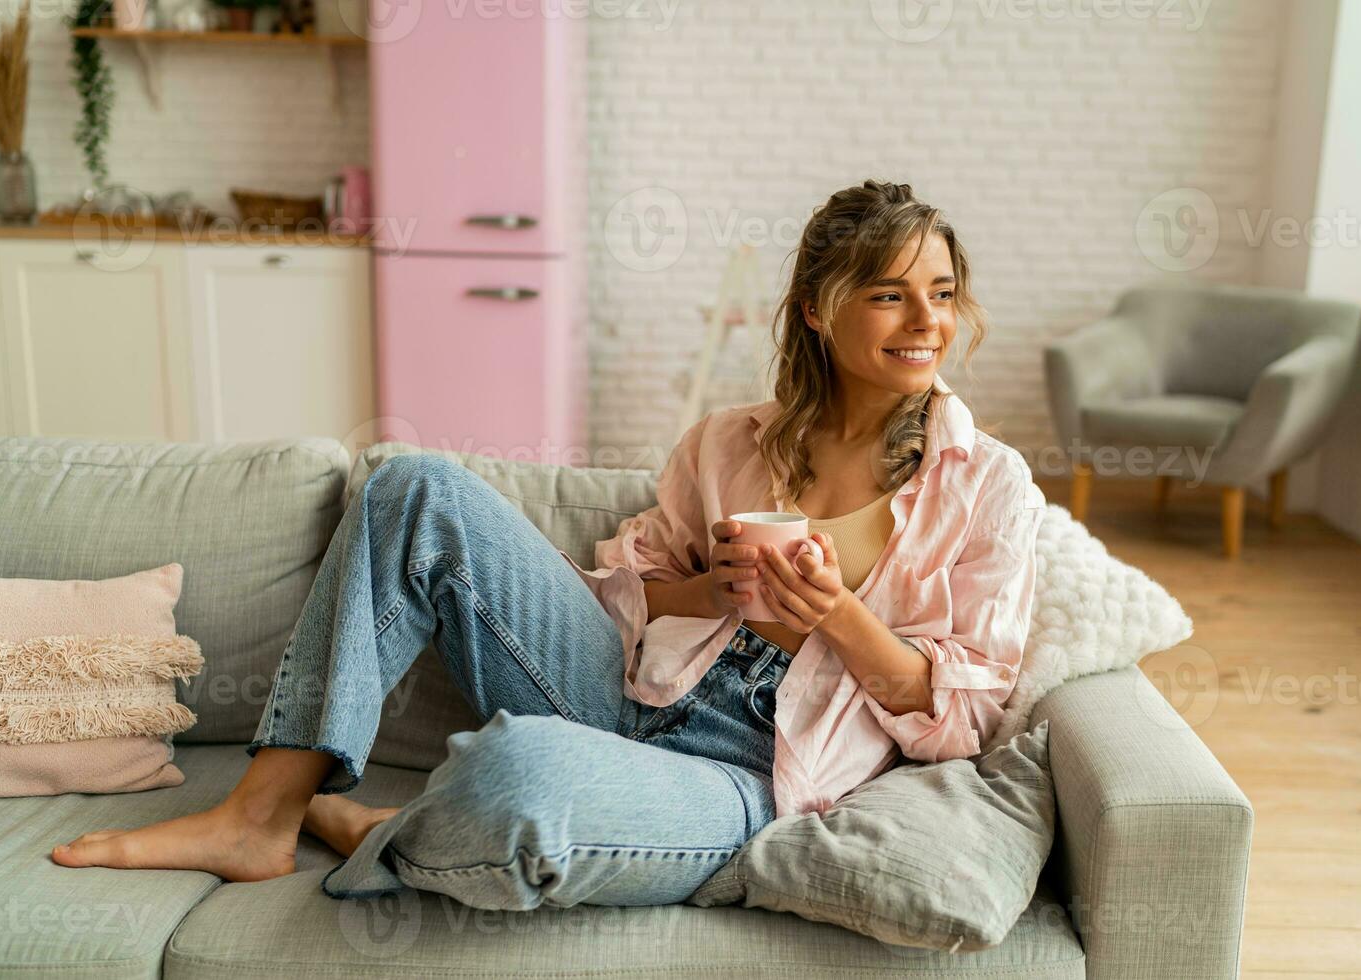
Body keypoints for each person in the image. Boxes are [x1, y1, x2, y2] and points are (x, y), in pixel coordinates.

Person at [50, 179, 1045, 911]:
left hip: (751, 772)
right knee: (416, 485)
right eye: (891, 293)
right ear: (820, 310)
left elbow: (965, 715)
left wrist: (838, 614)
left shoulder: (987, 483)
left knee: (522, 777)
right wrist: (712, 590)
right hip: (622, 690)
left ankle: (395, 827)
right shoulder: (728, 444)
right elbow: (628, 592)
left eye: (944, 293)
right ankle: (261, 811)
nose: (929, 322)